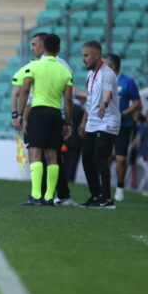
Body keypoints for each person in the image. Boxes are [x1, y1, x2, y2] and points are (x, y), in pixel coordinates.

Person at [11, 32, 75, 205]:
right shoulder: (65, 71)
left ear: (44, 47)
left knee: (35, 153)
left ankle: (36, 195)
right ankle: (49, 197)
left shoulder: (34, 66)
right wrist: (68, 122)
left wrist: (20, 113)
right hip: (56, 114)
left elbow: (25, 91)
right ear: (59, 49)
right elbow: (69, 100)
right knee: (52, 155)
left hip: (39, 113)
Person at [77, 41, 120, 209]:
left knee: (100, 158)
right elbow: (90, 101)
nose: (83, 59)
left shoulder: (107, 73)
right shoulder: (90, 74)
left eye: (86, 55)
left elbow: (108, 91)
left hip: (108, 122)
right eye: (82, 55)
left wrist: (104, 103)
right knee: (87, 159)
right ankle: (96, 195)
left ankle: (107, 199)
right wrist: (84, 121)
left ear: (96, 56)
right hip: (92, 122)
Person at [107, 53, 141, 201]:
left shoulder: (128, 82)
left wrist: (123, 114)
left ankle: (120, 186)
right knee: (105, 156)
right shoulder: (102, 79)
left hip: (123, 125)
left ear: (112, 66)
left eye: (105, 65)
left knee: (120, 159)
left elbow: (137, 103)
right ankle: (103, 188)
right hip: (106, 124)